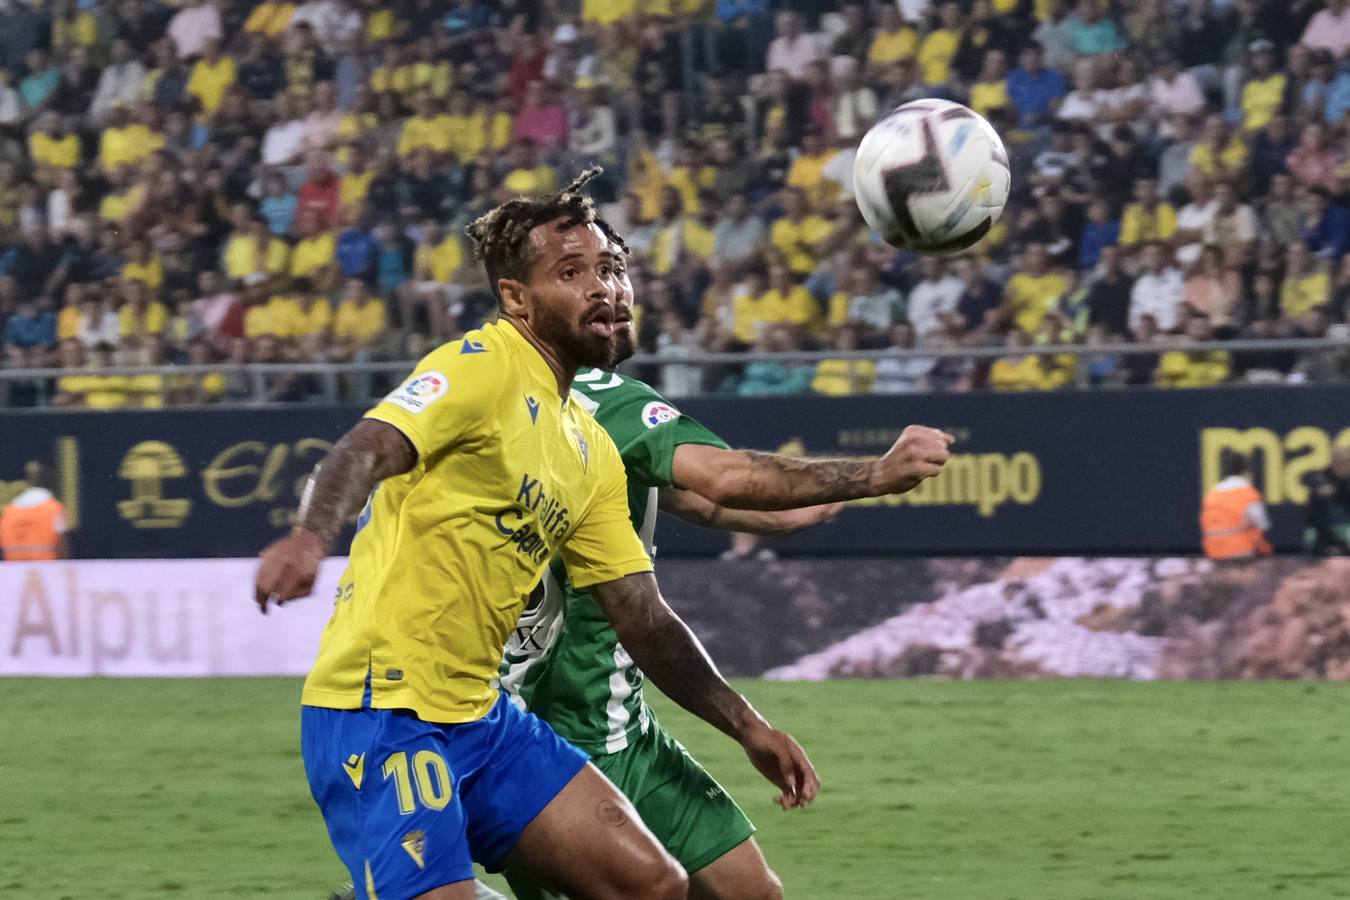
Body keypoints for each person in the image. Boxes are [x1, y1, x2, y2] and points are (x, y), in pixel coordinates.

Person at [256, 171, 953, 900]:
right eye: (572, 273)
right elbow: (369, 445)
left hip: (481, 717)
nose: (605, 289)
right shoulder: (482, 368)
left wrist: (747, 726)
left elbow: (645, 619)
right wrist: (309, 537)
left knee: (650, 884)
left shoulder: (585, 446)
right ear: (515, 298)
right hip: (382, 709)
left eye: (612, 269)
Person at [501, 245, 950, 900]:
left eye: (619, 273)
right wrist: (876, 474)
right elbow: (725, 475)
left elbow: (700, 497)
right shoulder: (609, 401)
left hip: (623, 726)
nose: (614, 294)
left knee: (754, 893)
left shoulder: (507, 395)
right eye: (586, 278)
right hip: (554, 744)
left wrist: (798, 504)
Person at [1199, 450, 1273, 562]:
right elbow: (1263, 524)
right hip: (1241, 552)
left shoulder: (1212, 494)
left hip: (1213, 552)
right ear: (1247, 473)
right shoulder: (1248, 493)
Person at [0, 462, 69, 561]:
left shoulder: (9, 511)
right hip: (45, 568)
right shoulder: (53, 508)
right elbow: (62, 545)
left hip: (13, 568)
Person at [1305, 447, 1350, 555]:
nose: (1346, 466)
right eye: (1343, 462)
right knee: (1323, 498)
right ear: (1334, 463)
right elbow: (1311, 480)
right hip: (1323, 533)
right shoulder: (1321, 476)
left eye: (1348, 462)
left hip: (1346, 528)